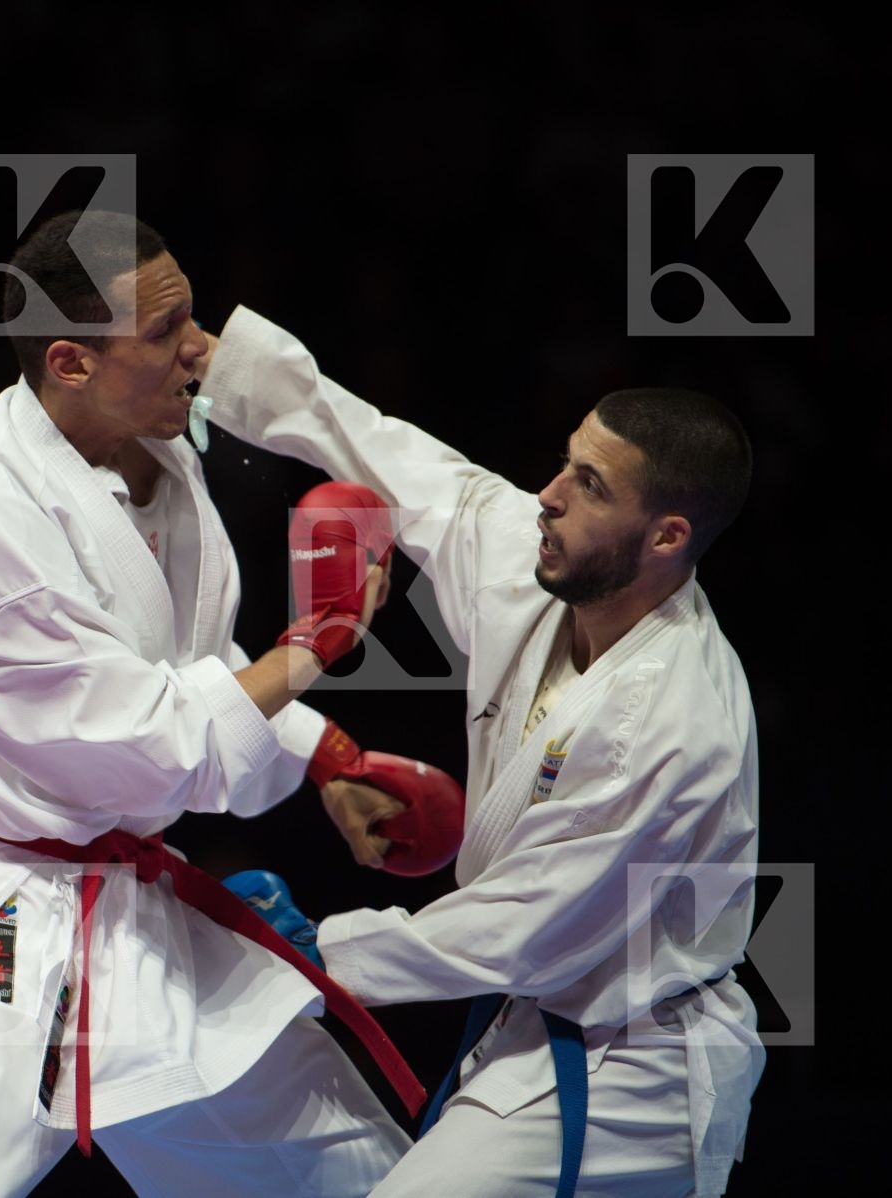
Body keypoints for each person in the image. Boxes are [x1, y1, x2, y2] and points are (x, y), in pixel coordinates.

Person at [0, 211, 446, 1198]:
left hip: (138, 909)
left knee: (343, 1164)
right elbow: (133, 737)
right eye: (167, 332)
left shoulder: (157, 449)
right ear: (68, 360)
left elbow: (192, 664)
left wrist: (327, 756)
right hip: (16, 916)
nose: (202, 349)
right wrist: (315, 646)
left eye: (194, 316)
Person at [196, 307, 766, 1197]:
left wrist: (317, 951)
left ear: (666, 538)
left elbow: (526, 926)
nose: (548, 495)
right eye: (565, 461)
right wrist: (229, 363)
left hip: (639, 1069)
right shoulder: (543, 564)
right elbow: (411, 466)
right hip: (539, 1023)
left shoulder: (677, 724)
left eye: (590, 484)